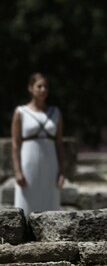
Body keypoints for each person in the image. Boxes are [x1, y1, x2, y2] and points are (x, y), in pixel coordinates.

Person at [11, 73, 65, 216]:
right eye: (39, 86)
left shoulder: (55, 113)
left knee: (50, 200)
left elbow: (59, 144)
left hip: (50, 163)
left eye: (45, 86)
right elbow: (15, 144)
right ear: (30, 88)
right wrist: (17, 171)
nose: (43, 90)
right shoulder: (21, 112)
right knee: (26, 200)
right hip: (28, 162)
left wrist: (62, 171)